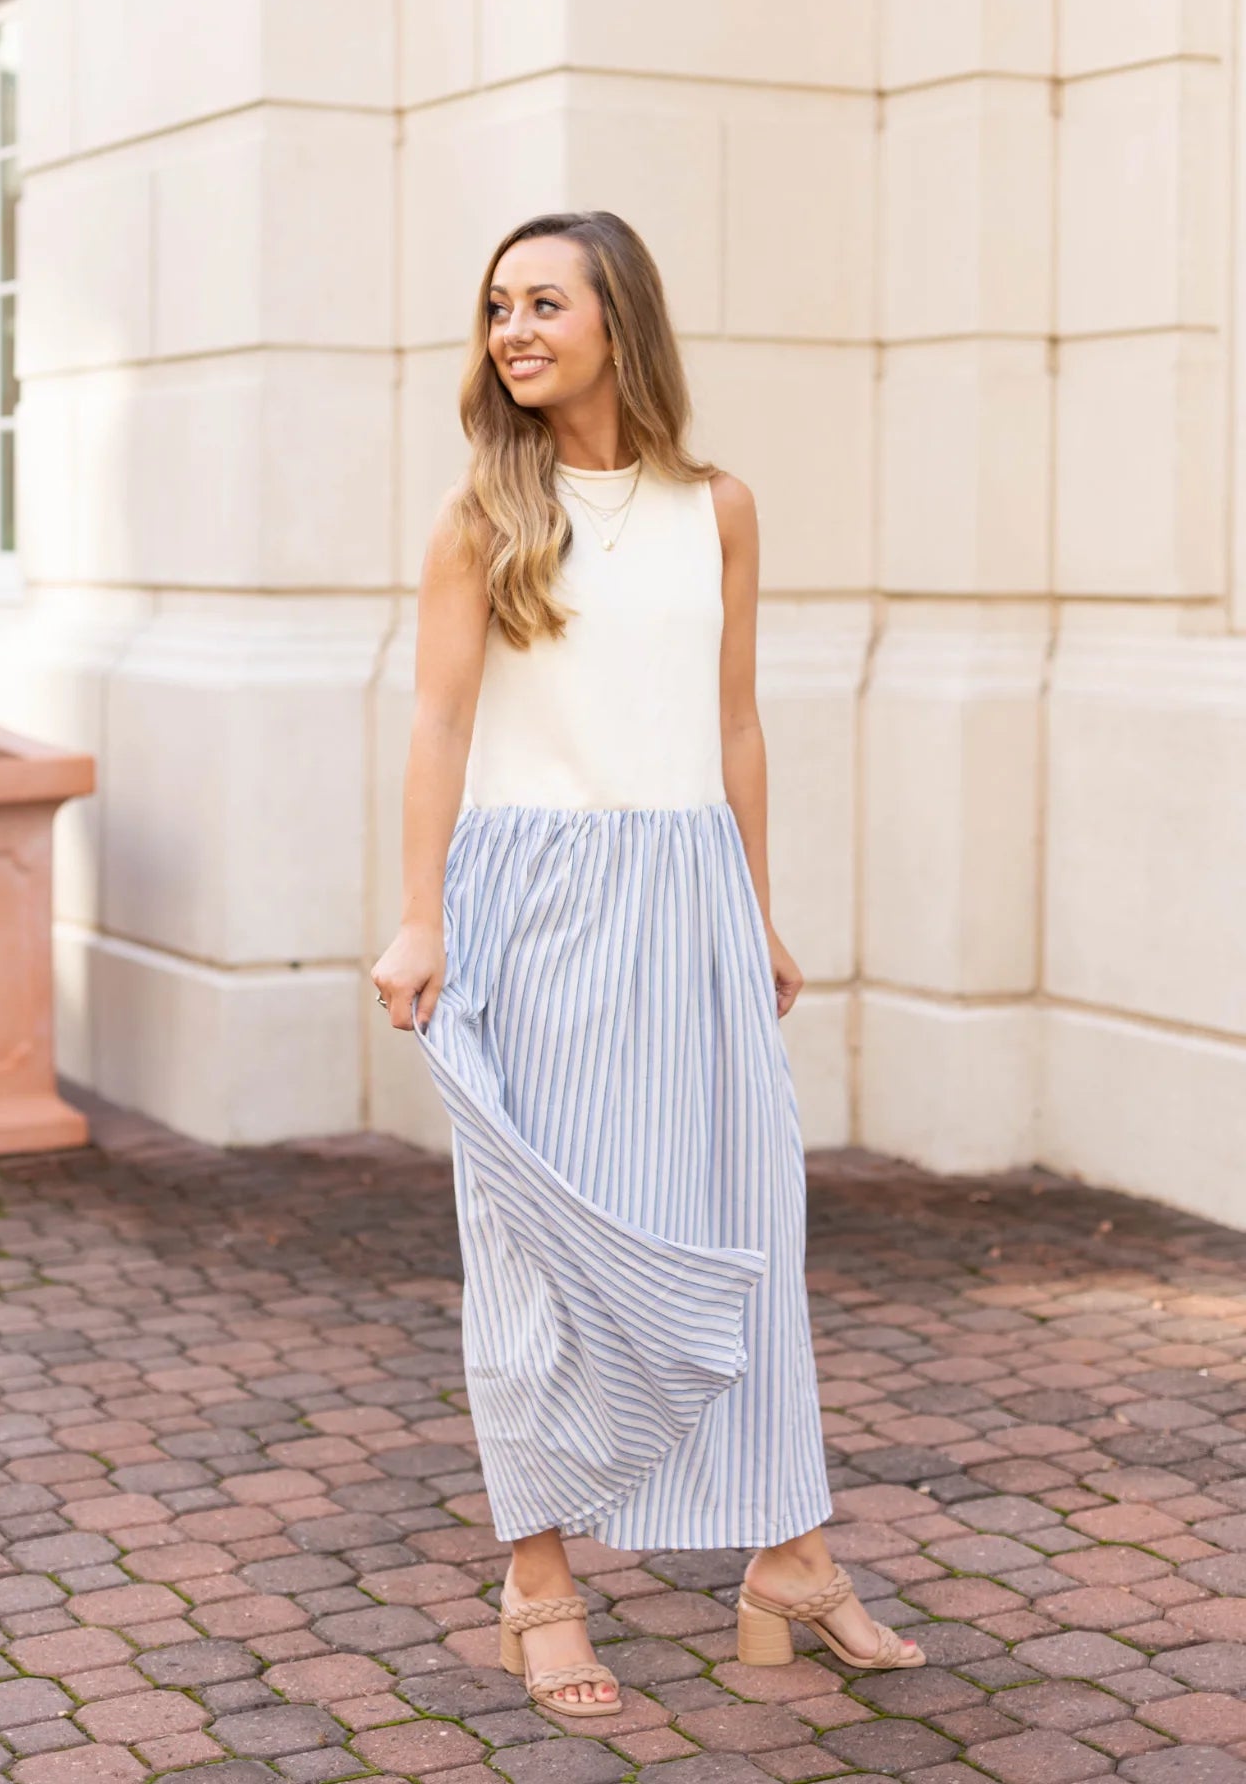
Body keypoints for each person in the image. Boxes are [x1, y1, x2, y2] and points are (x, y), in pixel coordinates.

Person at [371, 211, 923, 1717]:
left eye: (544, 302)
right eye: (497, 307)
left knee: (753, 1217)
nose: (514, 330)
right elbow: (433, 724)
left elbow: (735, 720)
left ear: (622, 319)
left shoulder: (720, 507)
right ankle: (537, 1583)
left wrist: (754, 906)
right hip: (535, 894)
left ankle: (791, 1561)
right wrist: (420, 916)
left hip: (690, 893)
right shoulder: (483, 511)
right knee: (537, 1249)